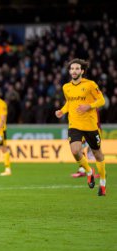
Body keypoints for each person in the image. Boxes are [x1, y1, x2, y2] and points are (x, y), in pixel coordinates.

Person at [55, 58, 106, 196]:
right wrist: (62, 110)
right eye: (72, 69)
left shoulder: (90, 85)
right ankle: (89, 171)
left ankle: (102, 183)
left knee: (98, 154)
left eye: (77, 68)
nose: (74, 71)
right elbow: (69, 103)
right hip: (74, 124)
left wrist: (89, 106)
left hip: (90, 125)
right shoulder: (66, 87)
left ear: (82, 71)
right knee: (75, 150)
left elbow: (101, 100)